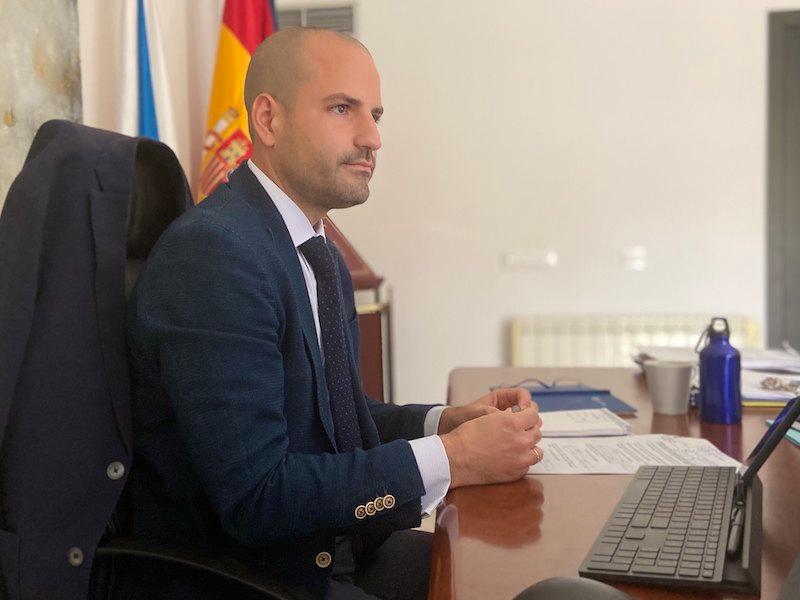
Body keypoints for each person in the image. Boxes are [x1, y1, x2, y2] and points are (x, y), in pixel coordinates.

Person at [124, 27, 543, 600]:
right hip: (258, 576)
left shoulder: (315, 252)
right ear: (268, 121)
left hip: (332, 549)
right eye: (343, 109)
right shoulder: (216, 256)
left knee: (515, 576)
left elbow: (331, 416)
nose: (372, 137)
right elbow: (258, 497)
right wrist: (454, 460)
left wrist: (444, 424)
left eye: (375, 114)